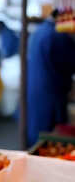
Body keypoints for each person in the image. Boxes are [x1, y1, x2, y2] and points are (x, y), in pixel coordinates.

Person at [27, 10, 75, 146]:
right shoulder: (58, 35)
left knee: (37, 132)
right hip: (51, 92)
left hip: (38, 89)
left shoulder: (40, 30)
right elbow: (71, 63)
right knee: (50, 138)